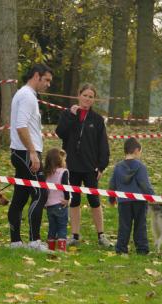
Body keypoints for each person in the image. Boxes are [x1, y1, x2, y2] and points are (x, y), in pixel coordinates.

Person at [55, 84, 111, 248]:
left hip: (90, 167)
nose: (87, 99)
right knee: (74, 200)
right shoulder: (68, 114)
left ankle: (101, 235)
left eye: (91, 96)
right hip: (71, 166)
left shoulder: (97, 120)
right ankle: (74, 235)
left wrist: (101, 167)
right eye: (85, 95)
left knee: (94, 200)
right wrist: (72, 115)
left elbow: (103, 146)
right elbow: (60, 133)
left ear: (94, 100)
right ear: (79, 96)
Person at [8, 64, 53, 252]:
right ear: (36, 76)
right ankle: (34, 242)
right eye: (47, 80)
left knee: (21, 196)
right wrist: (33, 153)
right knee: (41, 193)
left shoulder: (25, 94)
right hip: (26, 153)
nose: (48, 84)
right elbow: (21, 126)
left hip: (21, 152)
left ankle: (16, 242)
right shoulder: (26, 96)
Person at [108, 138, 154, 255]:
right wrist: (152, 196)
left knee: (124, 225)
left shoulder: (118, 167)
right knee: (140, 225)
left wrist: (112, 199)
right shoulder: (141, 167)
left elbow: (112, 184)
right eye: (140, 151)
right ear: (136, 150)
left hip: (123, 202)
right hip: (139, 201)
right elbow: (144, 185)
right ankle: (142, 249)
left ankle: (121, 249)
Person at [44, 148, 70, 252]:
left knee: (52, 227)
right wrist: (67, 199)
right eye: (64, 160)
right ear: (60, 160)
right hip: (60, 203)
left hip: (49, 205)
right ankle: (61, 249)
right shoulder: (63, 172)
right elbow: (65, 186)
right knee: (62, 227)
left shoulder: (47, 173)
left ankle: (50, 248)